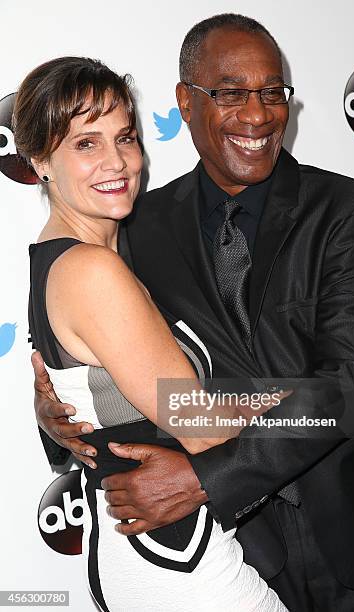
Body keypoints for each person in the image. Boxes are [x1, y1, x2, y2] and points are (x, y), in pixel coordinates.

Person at [32, 13, 354, 612]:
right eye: (232, 93)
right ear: (185, 101)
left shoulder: (351, 211)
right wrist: (63, 414)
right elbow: (119, 373)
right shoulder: (136, 229)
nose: (257, 116)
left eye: (271, 93)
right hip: (237, 547)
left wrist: (205, 477)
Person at [17, 56, 288, 611]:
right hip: (178, 570)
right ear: (41, 161)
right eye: (85, 144)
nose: (117, 162)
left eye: (126, 138)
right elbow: (203, 431)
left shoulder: (73, 257)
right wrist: (337, 401)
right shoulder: (91, 271)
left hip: (154, 554)